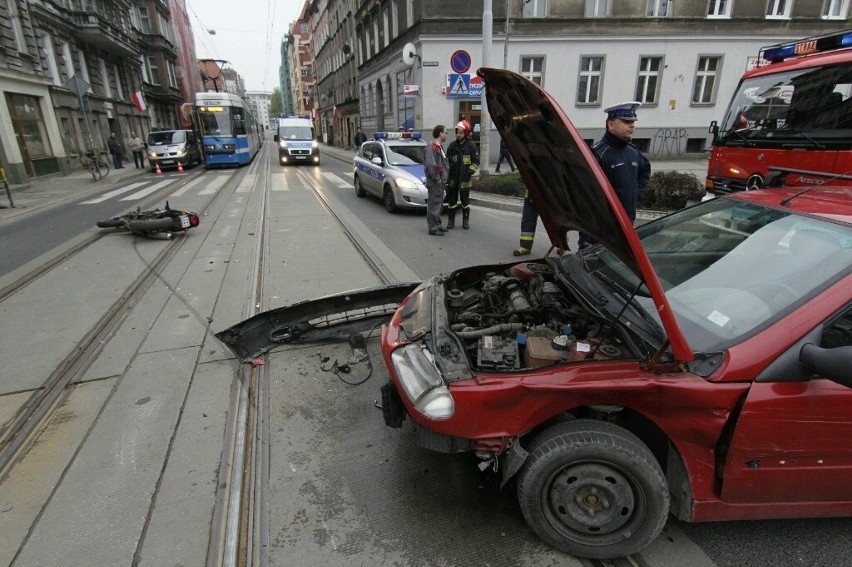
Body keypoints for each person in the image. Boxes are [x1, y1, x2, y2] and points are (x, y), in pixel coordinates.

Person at [578, 101, 651, 249]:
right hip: (600, 231)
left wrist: (637, 193)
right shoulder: (598, 154)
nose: (632, 125)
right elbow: (584, 194)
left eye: (633, 122)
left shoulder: (632, 151)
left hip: (626, 226)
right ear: (611, 125)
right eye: (626, 121)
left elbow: (645, 169)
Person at [445, 119, 479, 229]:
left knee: (465, 201)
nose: (458, 134)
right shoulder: (452, 146)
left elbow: (476, 162)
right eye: (457, 132)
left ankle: (465, 221)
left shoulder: (471, 146)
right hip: (453, 179)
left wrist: (469, 172)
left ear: (466, 133)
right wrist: (447, 177)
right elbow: (447, 162)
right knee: (452, 201)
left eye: (460, 132)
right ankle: (451, 222)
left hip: (465, 179)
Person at [424, 124, 449, 236]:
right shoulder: (431, 147)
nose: (447, 134)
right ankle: (433, 228)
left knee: (439, 203)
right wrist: (437, 178)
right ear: (440, 133)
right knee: (434, 204)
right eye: (446, 132)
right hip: (435, 181)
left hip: (440, 180)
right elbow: (430, 164)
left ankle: (438, 224)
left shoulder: (439, 146)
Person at [512, 190, 538, 256]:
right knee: (528, 220)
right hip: (531, 194)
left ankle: (561, 242)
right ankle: (525, 247)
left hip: (549, 193)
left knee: (555, 219)